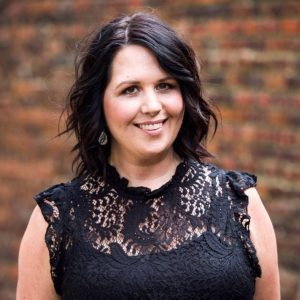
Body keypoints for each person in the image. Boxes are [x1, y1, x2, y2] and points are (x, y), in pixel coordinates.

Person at [17, 12, 280, 300]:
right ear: (99, 104)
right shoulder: (56, 219)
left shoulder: (240, 202)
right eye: (130, 90)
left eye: (165, 85)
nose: (153, 105)